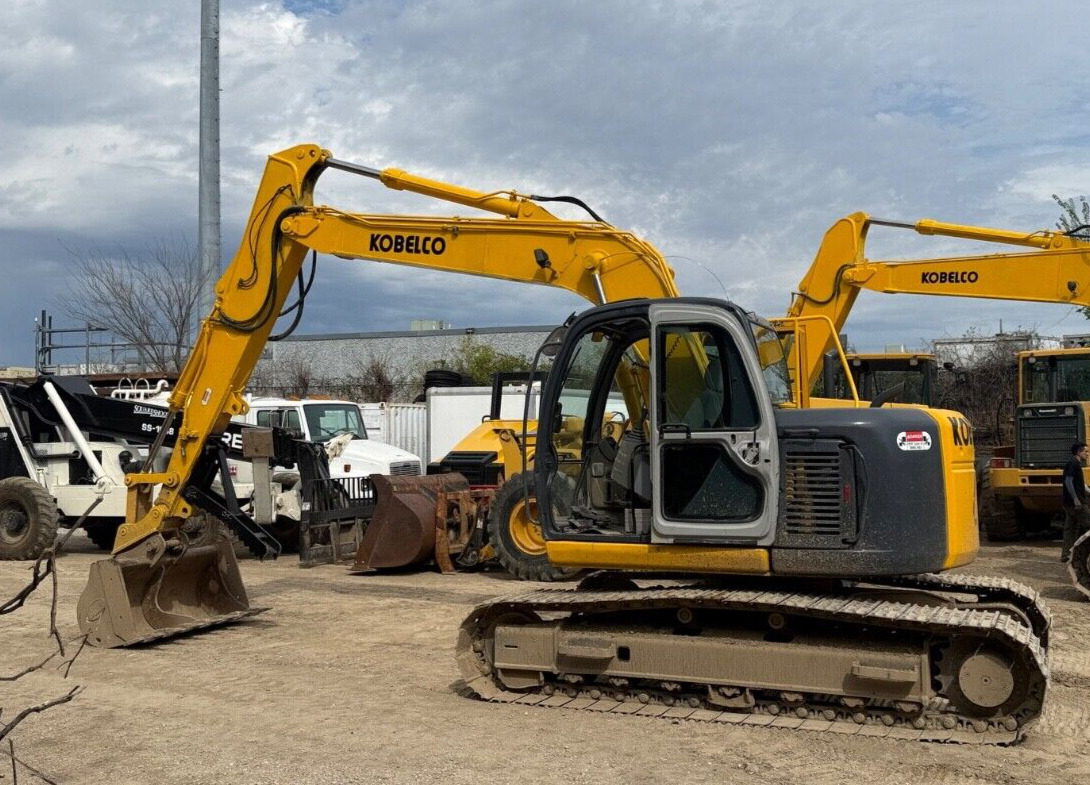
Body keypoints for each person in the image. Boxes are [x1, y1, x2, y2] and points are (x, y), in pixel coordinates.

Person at [1061, 441, 1090, 562]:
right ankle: (1081, 556)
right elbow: (1068, 482)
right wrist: (1076, 499)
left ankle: (1066, 555)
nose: (1088, 454)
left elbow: (1080, 484)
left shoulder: (1074, 464)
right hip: (1076, 504)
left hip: (1068, 504)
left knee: (1070, 529)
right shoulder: (1074, 464)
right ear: (1079, 452)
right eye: (1086, 451)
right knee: (1088, 524)